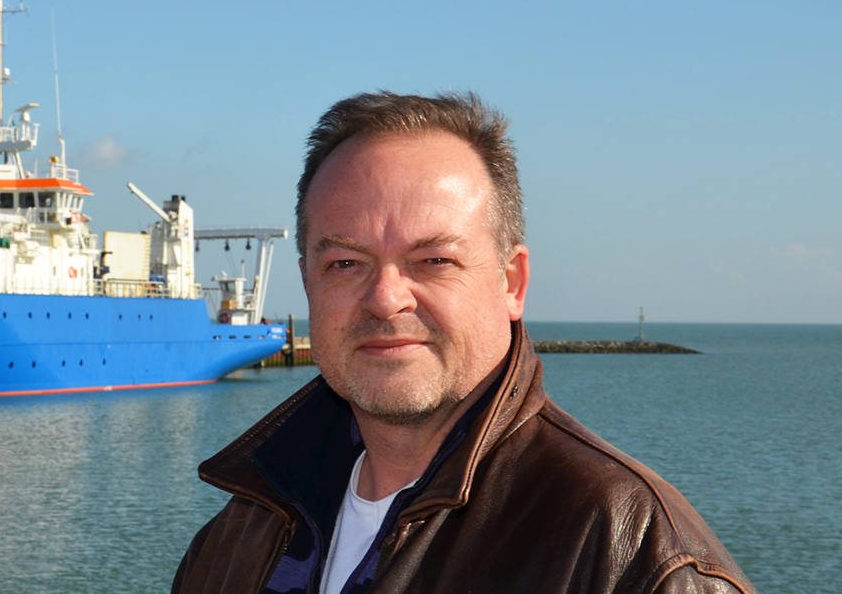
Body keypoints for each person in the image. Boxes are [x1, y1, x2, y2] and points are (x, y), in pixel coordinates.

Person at [172, 92, 755, 594]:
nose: (385, 297)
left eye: (434, 260)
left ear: (512, 282)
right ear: (307, 282)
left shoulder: (632, 555)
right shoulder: (237, 537)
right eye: (346, 262)